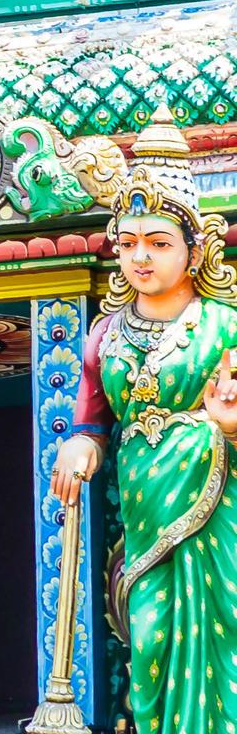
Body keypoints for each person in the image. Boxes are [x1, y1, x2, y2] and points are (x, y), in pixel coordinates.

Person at [51, 102, 237, 734]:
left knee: (227, 629)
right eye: (127, 244)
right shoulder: (105, 335)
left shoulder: (225, 327)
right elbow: (92, 420)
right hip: (146, 501)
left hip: (221, 507)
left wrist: (228, 427)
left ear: (197, 247)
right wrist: (80, 448)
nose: (140, 258)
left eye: (159, 244)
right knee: (151, 643)